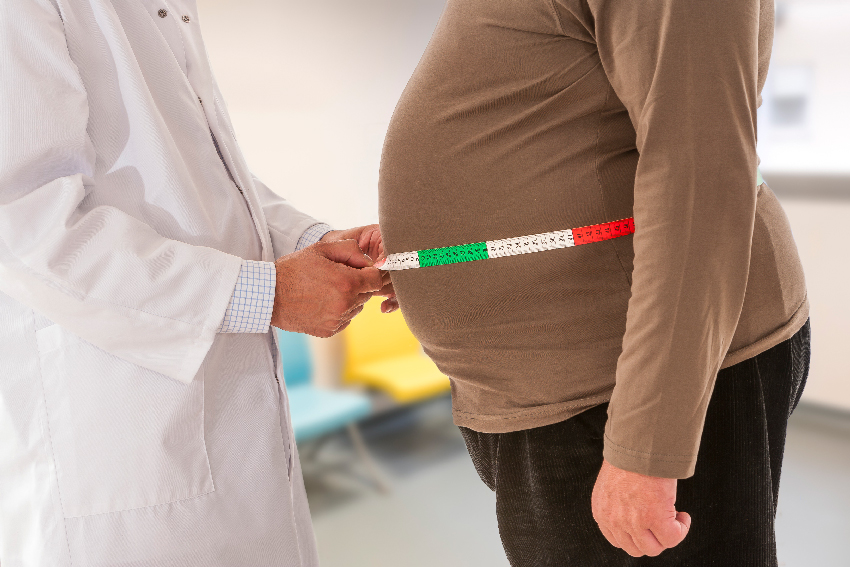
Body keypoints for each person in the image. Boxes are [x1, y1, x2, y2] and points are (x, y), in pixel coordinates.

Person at [378, 0, 810, 564]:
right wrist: (441, 249)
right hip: (555, 388)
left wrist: (647, 446)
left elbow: (699, 177)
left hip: (623, 380)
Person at [0, 0, 392, 564]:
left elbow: (206, 181)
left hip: (233, 442)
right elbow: (25, 226)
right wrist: (269, 293)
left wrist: (317, 242)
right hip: (122, 458)